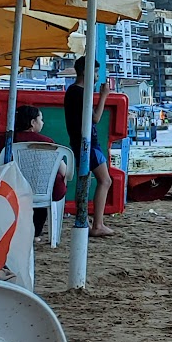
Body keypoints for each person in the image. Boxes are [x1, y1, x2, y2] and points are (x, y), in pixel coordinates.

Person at [0, 105, 69, 240]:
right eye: (41, 119)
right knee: (46, 184)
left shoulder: (5, 141)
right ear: (32, 122)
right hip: (42, 192)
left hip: (10, 189)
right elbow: (64, 170)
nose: (43, 123)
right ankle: (35, 232)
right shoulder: (47, 143)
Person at [62, 59, 119, 237]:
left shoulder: (72, 91)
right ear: (86, 73)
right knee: (105, 180)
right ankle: (98, 224)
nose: (96, 77)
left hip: (79, 142)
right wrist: (104, 96)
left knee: (84, 180)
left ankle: (84, 218)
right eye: (95, 72)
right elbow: (94, 118)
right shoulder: (80, 93)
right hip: (88, 143)